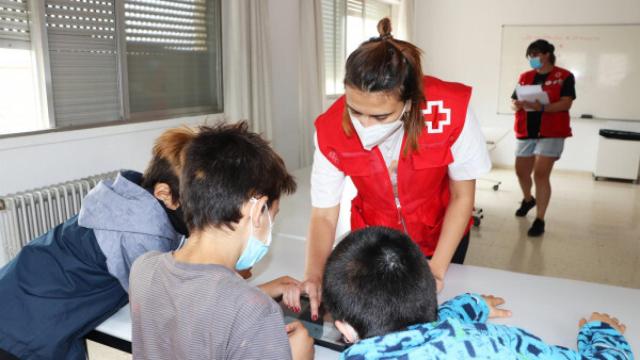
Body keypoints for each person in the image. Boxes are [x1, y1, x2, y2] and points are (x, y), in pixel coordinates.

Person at [290, 17, 491, 317]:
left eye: (380, 117)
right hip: (376, 240)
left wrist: (435, 270)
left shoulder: (450, 112)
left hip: (441, 235)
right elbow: (323, 216)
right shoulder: (330, 130)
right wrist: (314, 275)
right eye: (354, 110)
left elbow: (463, 197)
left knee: (441, 307)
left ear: (409, 102)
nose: (363, 126)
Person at [0, 127, 196, 359]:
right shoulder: (143, 234)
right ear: (164, 193)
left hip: (23, 291)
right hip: (24, 324)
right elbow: (168, 305)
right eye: (197, 200)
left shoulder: (136, 200)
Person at [129, 122, 315, 360]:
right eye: (273, 216)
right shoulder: (255, 313)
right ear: (257, 211)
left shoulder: (143, 269)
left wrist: (257, 293)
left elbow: (194, 306)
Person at [322, 226, 633, 359]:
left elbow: (420, 329)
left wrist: (468, 307)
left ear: (345, 329)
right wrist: (604, 333)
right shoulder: (498, 344)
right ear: (430, 289)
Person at [511, 39, 576, 237]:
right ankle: (528, 199)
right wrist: (518, 105)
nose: (532, 59)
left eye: (534, 55)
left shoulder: (564, 76)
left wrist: (544, 108)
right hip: (526, 130)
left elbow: (566, 103)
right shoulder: (525, 77)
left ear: (546, 54)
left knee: (540, 174)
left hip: (551, 131)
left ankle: (540, 219)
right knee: (521, 172)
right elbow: (513, 102)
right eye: (530, 56)